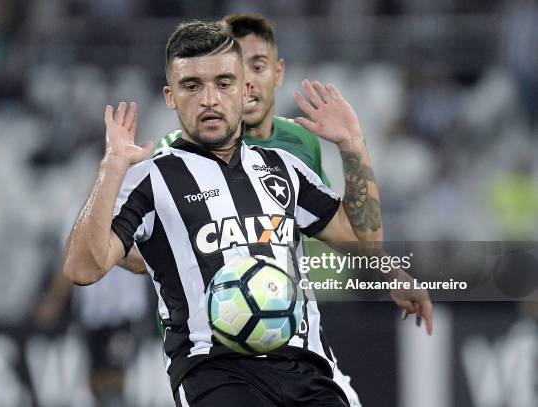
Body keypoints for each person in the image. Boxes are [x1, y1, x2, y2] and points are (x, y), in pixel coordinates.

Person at [63, 20, 433, 407]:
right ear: (170, 97)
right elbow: (81, 269)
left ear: (244, 90)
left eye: (223, 83)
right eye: (192, 86)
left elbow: (365, 242)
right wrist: (111, 168)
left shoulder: (284, 167)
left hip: (306, 367)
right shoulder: (149, 179)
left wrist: (353, 144)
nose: (209, 99)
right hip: (214, 371)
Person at [154, 14, 330, 186]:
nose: (248, 80)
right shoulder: (175, 149)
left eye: (258, 67)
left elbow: (330, 214)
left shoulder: (302, 138)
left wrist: (351, 146)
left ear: (278, 73)